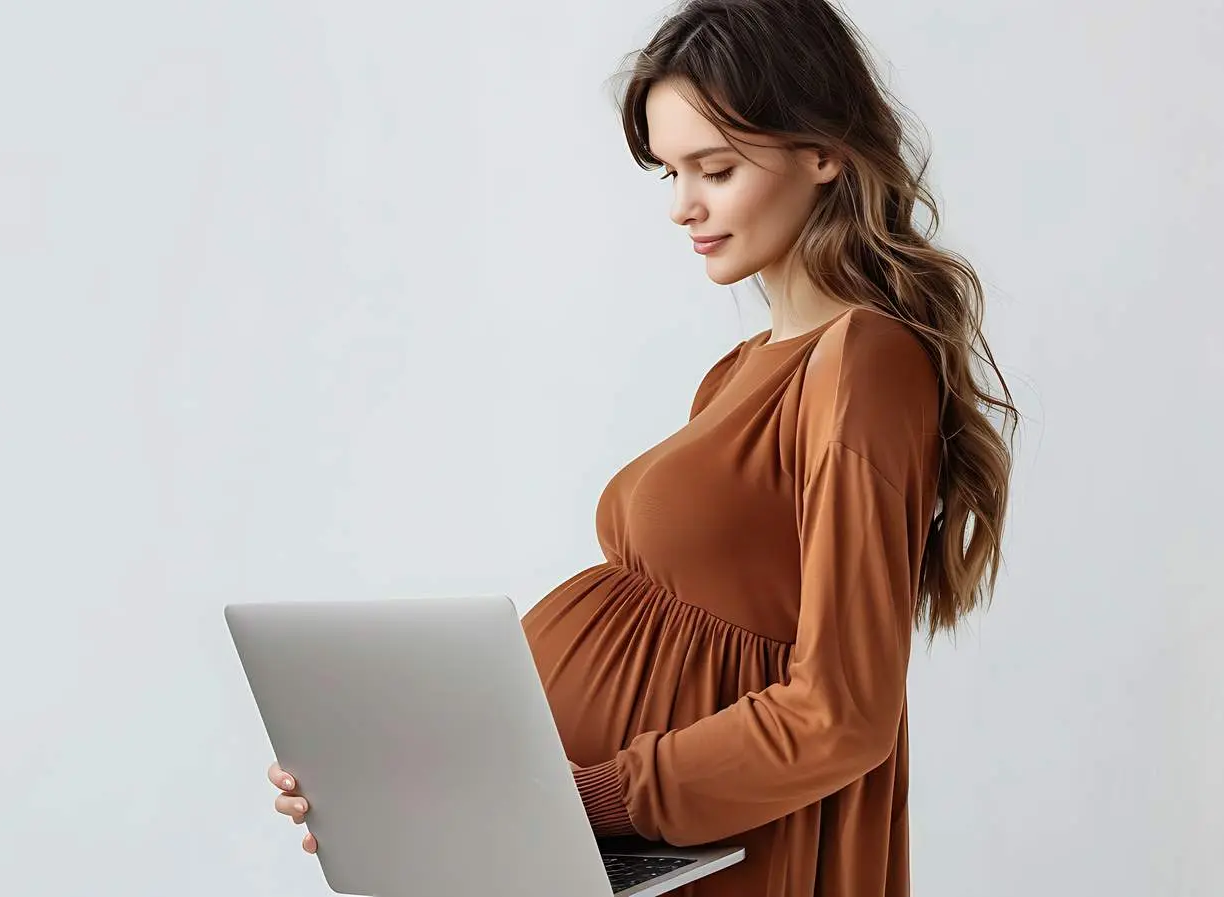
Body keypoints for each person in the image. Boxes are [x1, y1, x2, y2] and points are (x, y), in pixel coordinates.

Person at [267, 0, 1018, 894]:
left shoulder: (864, 360)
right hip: (604, 849)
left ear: (824, 152)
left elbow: (842, 713)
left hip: (721, 853)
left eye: (715, 168)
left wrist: (596, 792)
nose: (683, 206)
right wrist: (421, 787)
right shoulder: (740, 371)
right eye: (668, 173)